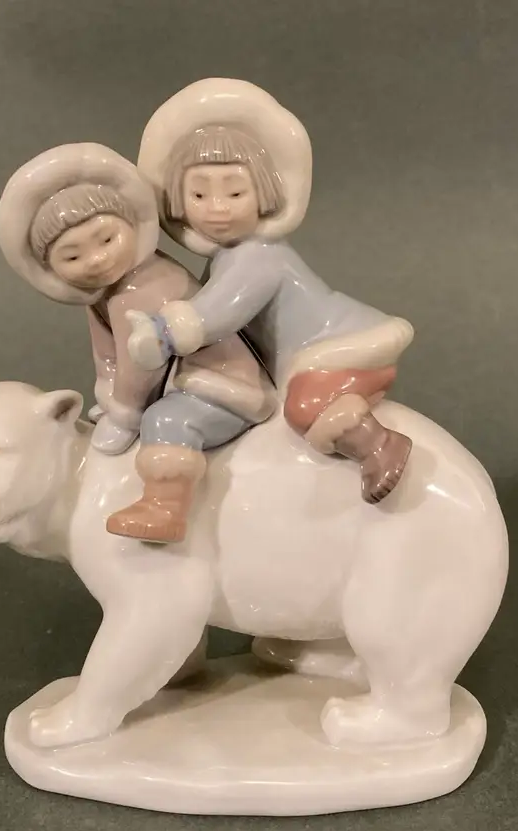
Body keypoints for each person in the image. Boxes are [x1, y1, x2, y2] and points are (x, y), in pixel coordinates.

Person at [127, 78, 414, 514]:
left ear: (263, 195)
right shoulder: (229, 256)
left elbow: (220, 312)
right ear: (179, 202)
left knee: (308, 408)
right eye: (200, 193)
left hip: (335, 349)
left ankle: (378, 445)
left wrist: (165, 331)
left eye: (235, 192)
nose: (218, 207)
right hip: (312, 353)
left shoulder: (258, 254)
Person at [0, 142, 275, 543]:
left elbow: (143, 366)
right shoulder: (105, 292)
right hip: (179, 385)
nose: (96, 259)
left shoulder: (144, 288)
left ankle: (165, 508)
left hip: (222, 387)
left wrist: (125, 414)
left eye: (106, 239)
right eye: (72, 257)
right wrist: (108, 393)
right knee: (150, 412)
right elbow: (107, 353)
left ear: (131, 225)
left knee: (165, 421)